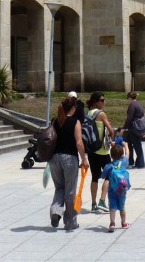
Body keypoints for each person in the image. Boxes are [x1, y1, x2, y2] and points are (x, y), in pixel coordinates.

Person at [48, 94, 87, 231]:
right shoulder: (75, 122)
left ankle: (55, 211)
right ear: (74, 108)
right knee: (70, 191)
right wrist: (84, 159)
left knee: (59, 187)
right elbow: (79, 142)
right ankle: (70, 222)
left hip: (54, 158)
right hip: (69, 158)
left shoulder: (55, 121)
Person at [85, 92, 114, 213]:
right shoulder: (101, 114)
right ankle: (102, 200)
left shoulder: (88, 114)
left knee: (94, 177)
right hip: (102, 151)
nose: (104, 102)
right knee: (109, 175)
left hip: (92, 150)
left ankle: (93, 204)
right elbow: (111, 130)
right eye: (102, 100)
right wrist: (111, 138)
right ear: (96, 101)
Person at [101, 144, 131, 231]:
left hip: (112, 190)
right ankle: (124, 223)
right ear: (122, 155)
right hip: (122, 189)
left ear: (111, 155)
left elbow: (103, 176)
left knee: (112, 207)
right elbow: (128, 155)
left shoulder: (109, 166)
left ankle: (112, 223)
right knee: (122, 207)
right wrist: (126, 146)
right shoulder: (124, 162)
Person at [122, 91, 145, 169]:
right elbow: (142, 115)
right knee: (129, 144)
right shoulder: (139, 104)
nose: (128, 100)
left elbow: (129, 118)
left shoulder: (132, 105)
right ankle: (131, 161)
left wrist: (124, 127)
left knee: (136, 145)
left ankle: (140, 163)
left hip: (133, 128)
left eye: (128, 98)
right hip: (137, 127)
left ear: (130, 98)